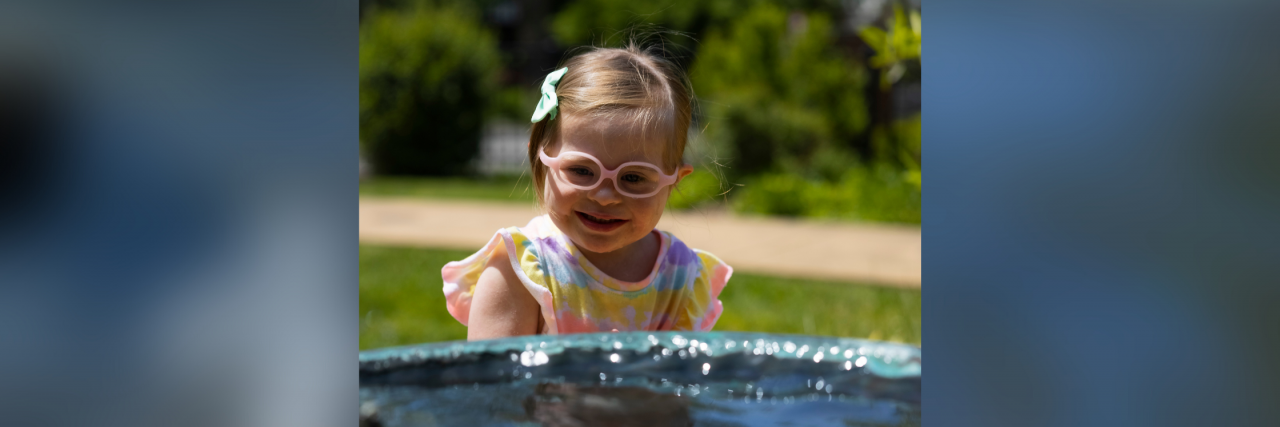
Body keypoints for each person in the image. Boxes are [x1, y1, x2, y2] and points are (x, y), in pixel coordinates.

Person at [442, 45, 733, 340]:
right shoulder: (520, 269)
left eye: (633, 177)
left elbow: (682, 383)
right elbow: (494, 382)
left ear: (674, 180)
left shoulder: (682, 278)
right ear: (541, 160)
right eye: (582, 171)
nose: (605, 196)